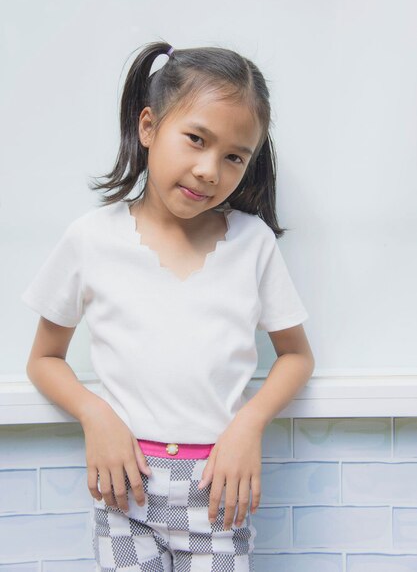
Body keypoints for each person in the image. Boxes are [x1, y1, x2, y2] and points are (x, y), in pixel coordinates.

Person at [21, 40, 315, 571]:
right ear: (149, 127)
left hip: (218, 493)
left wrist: (249, 425)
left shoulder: (253, 244)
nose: (209, 170)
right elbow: (43, 359)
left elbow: (296, 355)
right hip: (123, 490)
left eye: (233, 157)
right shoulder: (91, 238)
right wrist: (95, 414)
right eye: (196, 140)